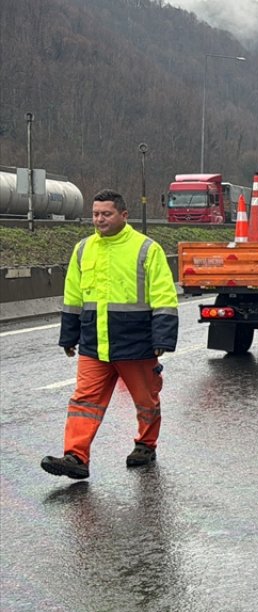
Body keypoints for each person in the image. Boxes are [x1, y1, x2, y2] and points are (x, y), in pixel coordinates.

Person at [41, 189, 178, 480]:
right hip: (94, 345)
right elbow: (73, 297)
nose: (99, 219)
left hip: (137, 344)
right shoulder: (83, 249)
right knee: (84, 401)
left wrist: (162, 338)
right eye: (95, 214)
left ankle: (145, 444)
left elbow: (164, 295)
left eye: (106, 214)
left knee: (146, 401)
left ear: (123, 215)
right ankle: (75, 456)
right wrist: (69, 336)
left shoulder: (146, 249)